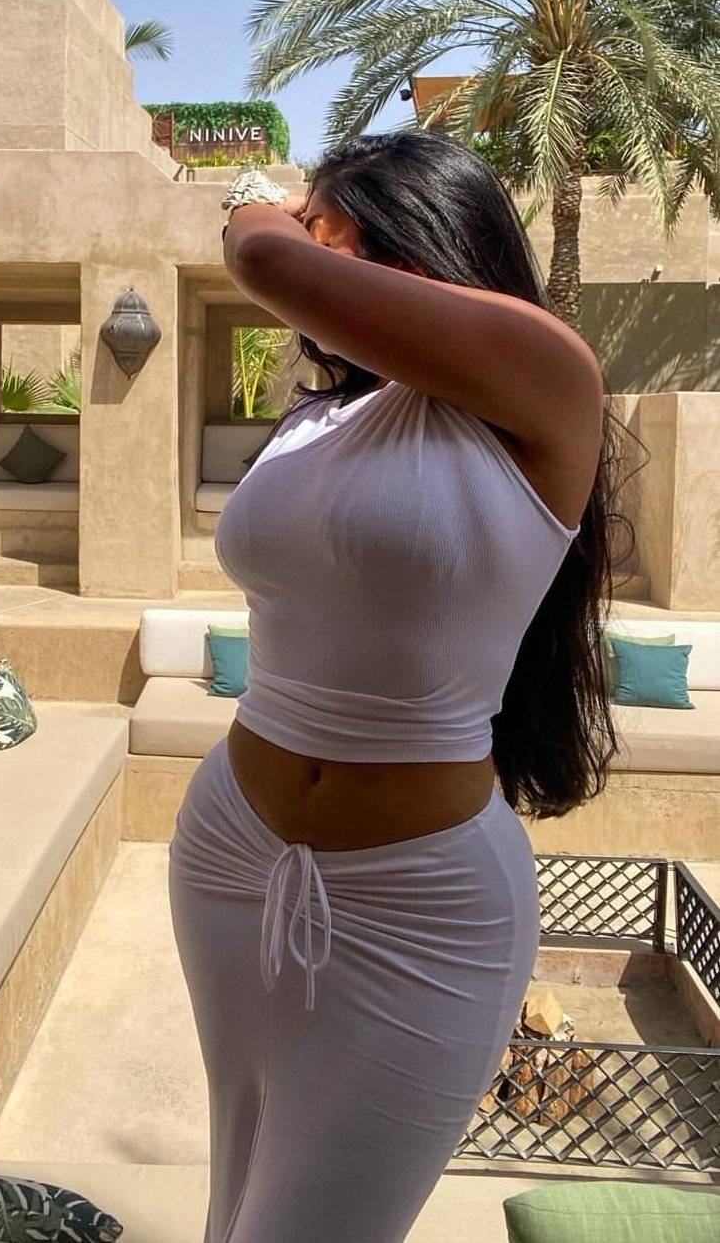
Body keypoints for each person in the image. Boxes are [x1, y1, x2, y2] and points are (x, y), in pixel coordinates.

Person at [168, 131, 638, 1243]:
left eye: (327, 233)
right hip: (231, 849)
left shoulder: (548, 375)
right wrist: (307, 219)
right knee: (233, 1195)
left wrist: (257, 199)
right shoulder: (318, 419)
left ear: (411, 237)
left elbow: (266, 261)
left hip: (423, 902)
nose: (307, 260)